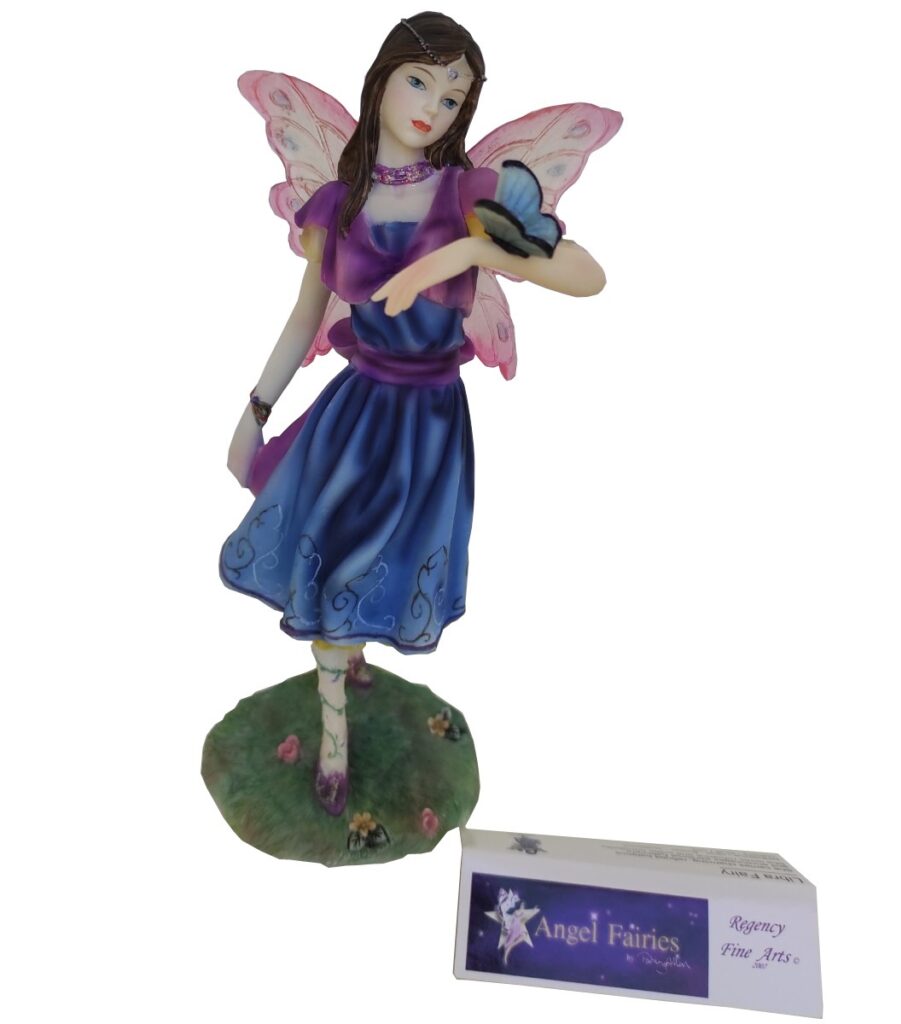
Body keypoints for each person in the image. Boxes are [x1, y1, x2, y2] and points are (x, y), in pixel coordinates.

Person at [220, 13, 607, 815]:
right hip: (356, 419)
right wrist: (255, 408)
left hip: (429, 426)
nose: (434, 105)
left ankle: (351, 664)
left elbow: (586, 274)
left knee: (388, 560)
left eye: (453, 95)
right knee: (334, 561)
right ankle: (333, 741)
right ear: (382, 82)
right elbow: (305, 316)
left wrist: (469, 250)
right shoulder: (337, 203)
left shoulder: (471, 194)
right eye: (420, 81)